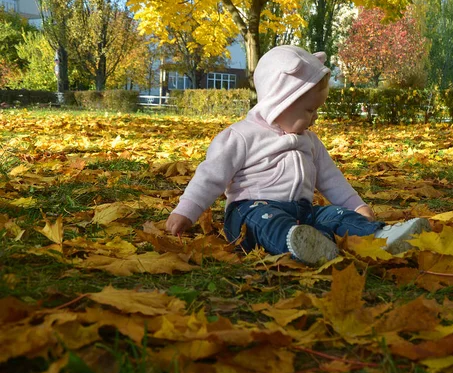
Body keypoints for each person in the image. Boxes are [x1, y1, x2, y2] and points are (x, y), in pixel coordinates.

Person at [165, 45, 430, 265]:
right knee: (263, 221)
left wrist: (356, 206)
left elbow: (331, 179)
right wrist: (186, 212)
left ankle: (381, 237)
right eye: (309, 110)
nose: (314, 117)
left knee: (334, 215)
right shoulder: (241, 136)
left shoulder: (310, 142)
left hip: (304, 214)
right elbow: (210, 177)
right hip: (250, 209)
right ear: (279, 101)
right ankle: (298, 245)